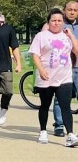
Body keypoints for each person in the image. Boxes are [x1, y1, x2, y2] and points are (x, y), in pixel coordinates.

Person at [29, 8, 78, 146]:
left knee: (65, 106)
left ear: (63, 22)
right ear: (49, 22)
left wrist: (72, 36)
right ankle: (43, 131)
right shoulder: (41, 36)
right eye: (54, 21)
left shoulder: (66, 35)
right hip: (46, 78)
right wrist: (41, 70)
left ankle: (70, 135)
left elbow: (76, 51)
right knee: (45, 105)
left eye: (59, 21)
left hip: (64, 77)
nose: (57, 23)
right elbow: (35, 55)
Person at [51, 0, 78, 134]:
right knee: (60, 98)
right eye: (70, 9)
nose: (72, 12)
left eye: (75, 10)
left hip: (77, 66)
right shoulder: (58, 25)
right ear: (64, 10)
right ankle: (59, 125)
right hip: (63, 67)